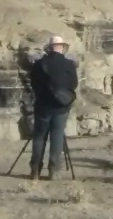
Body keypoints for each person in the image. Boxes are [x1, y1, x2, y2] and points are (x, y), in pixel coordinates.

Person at [28, 35, 79, 180]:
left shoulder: (39, 64)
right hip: (61, 107)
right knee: (57, 136)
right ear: (62, 47)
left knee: (39, 137)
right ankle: (54, 170)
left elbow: (33, 84)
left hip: (42, 106)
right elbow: (73, 84)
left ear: (49, 48)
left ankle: (35, 170)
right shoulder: (69, 64)